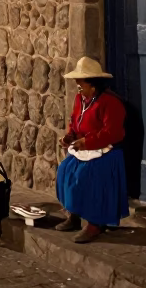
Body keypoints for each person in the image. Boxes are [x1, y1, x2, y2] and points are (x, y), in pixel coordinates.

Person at [54, 57, 129, 244]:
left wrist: (87, 142)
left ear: (93, 85)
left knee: (86, 176)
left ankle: (95, 223)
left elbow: (112, 133)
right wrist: (69, 138)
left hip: (107, 152)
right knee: (65, 170)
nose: (78, 87)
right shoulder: (81, 100)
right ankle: (74, 215)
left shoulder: (111, 103)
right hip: (86, 149)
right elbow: (75, 124)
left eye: (81, 83)